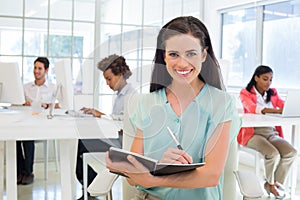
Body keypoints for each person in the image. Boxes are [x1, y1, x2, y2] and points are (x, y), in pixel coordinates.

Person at [106, 16, 240, 200]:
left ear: (203, 54)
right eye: (174, 54)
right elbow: (133, 178)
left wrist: (154, 178)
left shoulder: (221, 103)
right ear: (164, 56)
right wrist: (130, 165)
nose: (182, 63)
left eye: (191, 53)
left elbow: (211, 175)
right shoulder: (146, 104)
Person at [75, 54, 135, 200]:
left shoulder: (131, 95)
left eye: (109, 79)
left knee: (82, 144)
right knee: (81, 142)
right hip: (115, 138)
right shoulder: (120, 94)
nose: (108, 83)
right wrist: (98, 114)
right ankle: (90, 187)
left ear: (120, 75)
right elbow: (117, 118)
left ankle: (91, 187)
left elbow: (124, 125)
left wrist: (100, 116)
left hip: (121, 143)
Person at [238, 65, 297, 199]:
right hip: (253, 133)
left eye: (270, 79)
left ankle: (274, 184)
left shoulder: (273, 93)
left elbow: (283, 106)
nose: (268, 83)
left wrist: (290, 108)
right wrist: (275, 111)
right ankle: (270, 183)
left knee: (291, 152)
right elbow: (252, 107)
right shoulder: (245, 93)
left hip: (271, 133)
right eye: (265, 79)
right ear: (256, 78)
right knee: (273, 153)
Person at [18, 57, 57, 185]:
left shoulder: (52, 88)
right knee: (16, 137)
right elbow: (17, 103)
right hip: (27, 122)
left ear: (46, 70)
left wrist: (48, 105)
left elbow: (59, 106)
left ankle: (28, 173)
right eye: (35, 68)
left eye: (39, 68)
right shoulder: (26, 87)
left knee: (27, 137)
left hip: (43, 124)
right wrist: (23, 103)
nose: (36, 71)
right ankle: (20, 171)